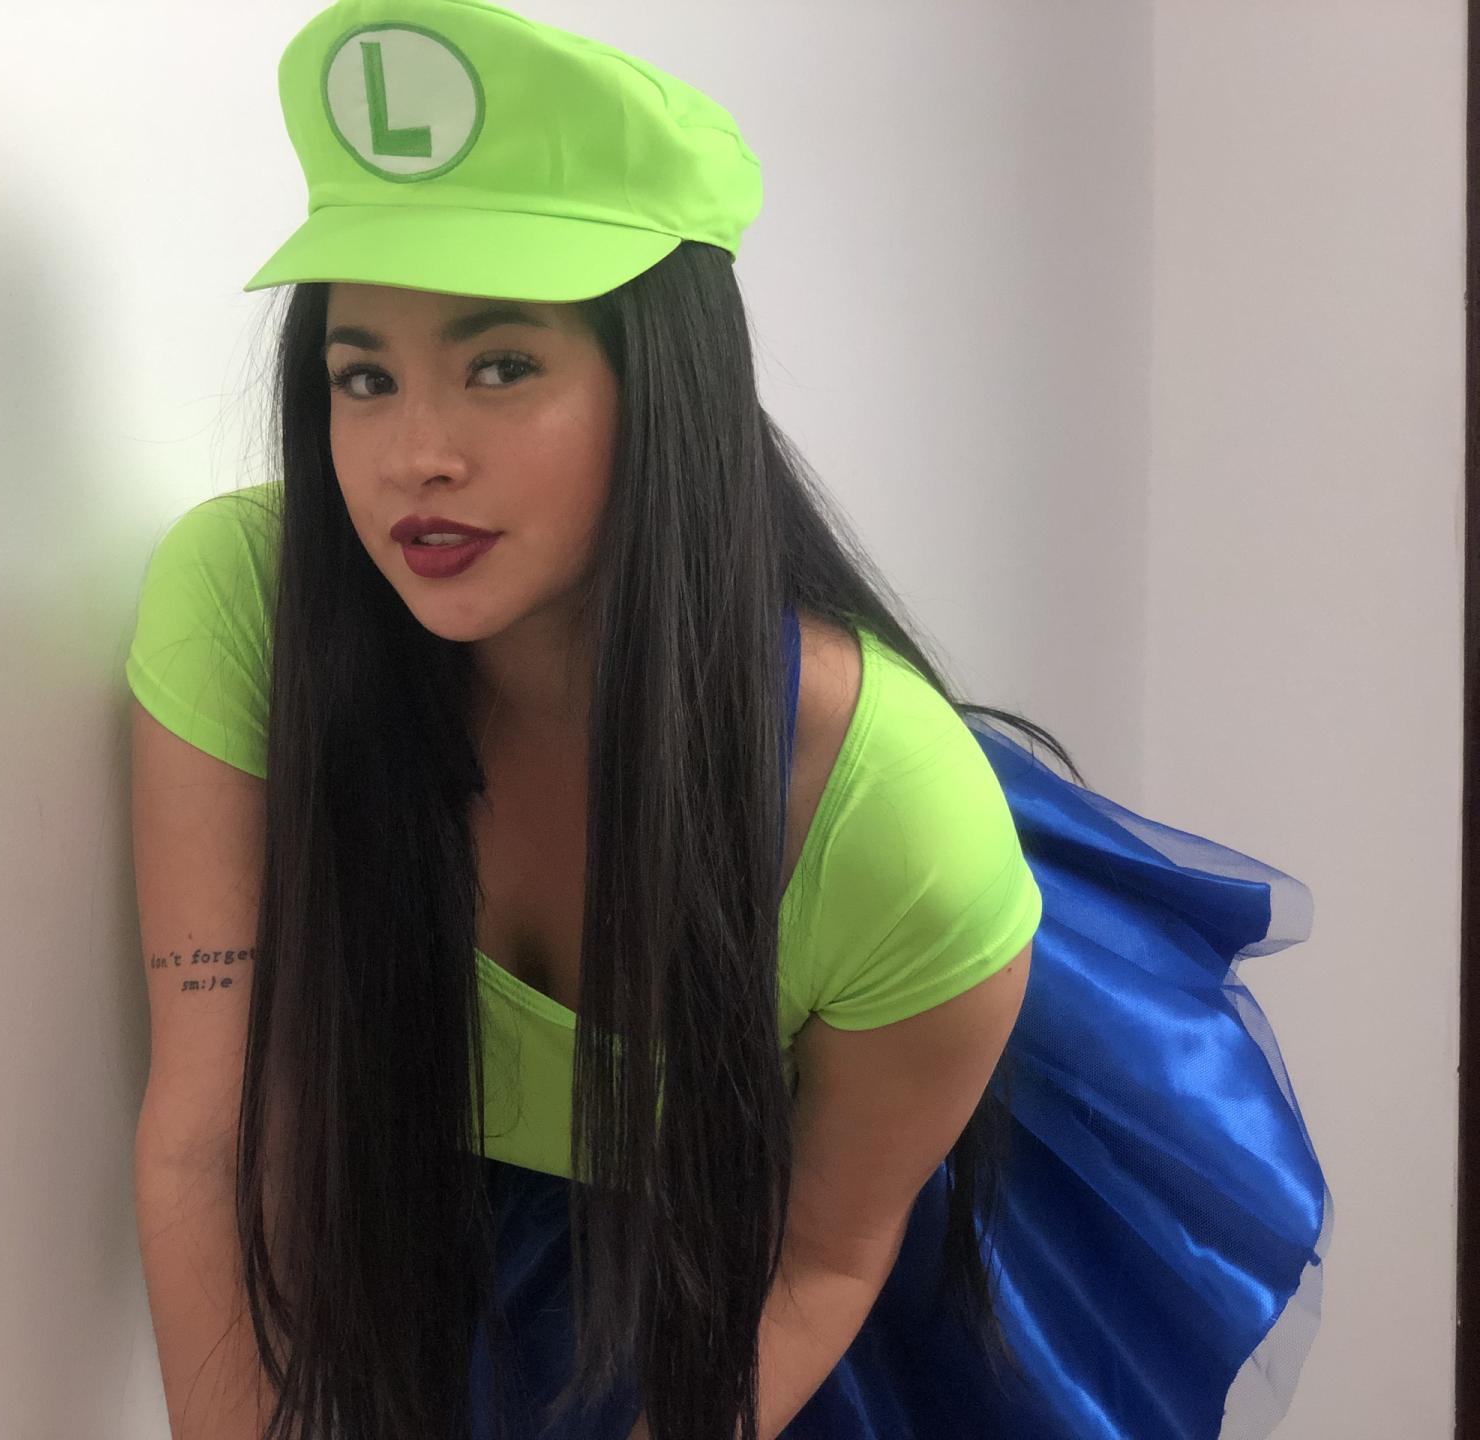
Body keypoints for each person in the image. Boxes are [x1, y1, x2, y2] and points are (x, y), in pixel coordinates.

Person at [125, 2, 1331, 1438]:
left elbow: (822, 1258)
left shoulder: (890, 817)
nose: (415, 456)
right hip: (491, 1230)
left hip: (812, 1253)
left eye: (501, 365)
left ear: (666, 388)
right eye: (363, 375)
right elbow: (213, 1140)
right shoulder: (246, 606)